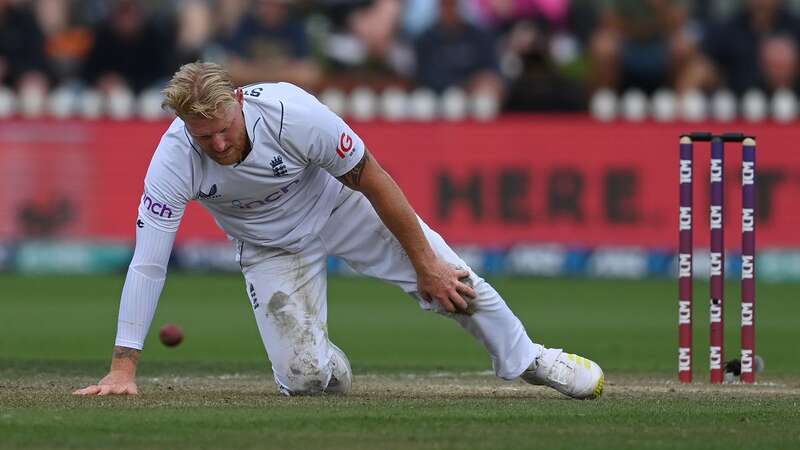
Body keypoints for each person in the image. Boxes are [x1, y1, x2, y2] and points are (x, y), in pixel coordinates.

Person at [73, 61, 604, 399]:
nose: (216, 145)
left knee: (453, 280)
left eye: (223, 130)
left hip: (342, 206)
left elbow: (374, 179)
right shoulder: (173, 158)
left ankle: (533, 360)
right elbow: (148, 261)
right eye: (202, 135)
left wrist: (426, 266)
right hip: (268, 245)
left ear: (238, 100)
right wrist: (124, 368)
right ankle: (327, 363)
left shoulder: (293, 113)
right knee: (306, 380)